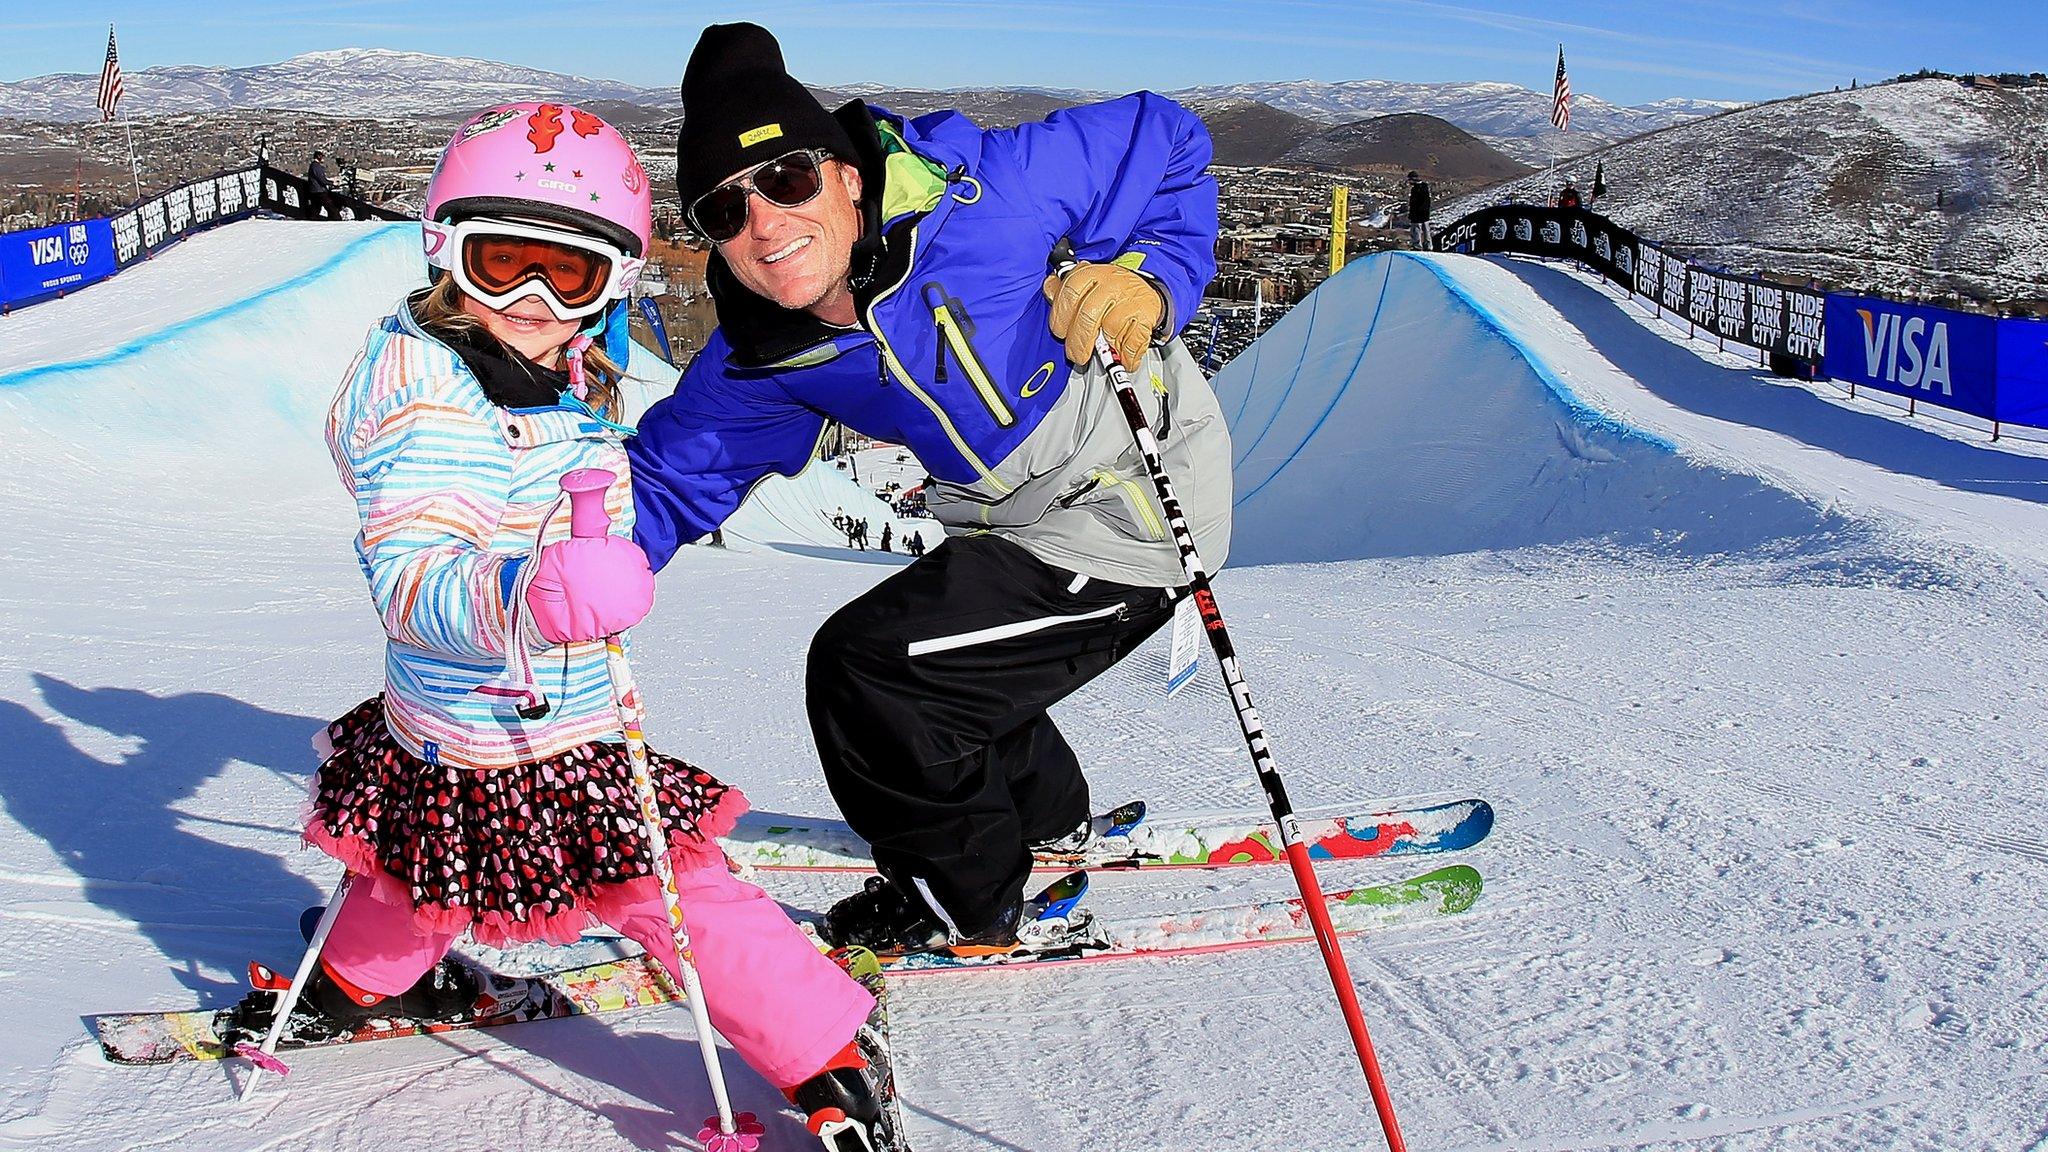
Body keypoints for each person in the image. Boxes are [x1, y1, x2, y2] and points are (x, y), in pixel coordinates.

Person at [257, 101, 883, 1135]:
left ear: (612, 285)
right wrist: (530, 596)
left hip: (459, 714)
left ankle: (354, 983)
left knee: (424, 857)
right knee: (668, 889)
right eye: (503, 263)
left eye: (574, 275)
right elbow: (414, 574)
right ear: (444, 252)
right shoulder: (428, 406)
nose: (538, 301)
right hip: (535, 712)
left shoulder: (527, 367)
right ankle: (824, 1055)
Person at [627, 24, 1231, 959]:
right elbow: (672, 473)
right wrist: (558, 579)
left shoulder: (988, 195)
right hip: (1008, 524)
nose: (768, 225)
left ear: (846, 174)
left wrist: (1150, 278)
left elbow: (1169, 139)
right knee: (951, 652)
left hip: (1132, 498)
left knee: (874, 672)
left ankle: (967, 899)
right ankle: (1040, 822)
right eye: (723, 210)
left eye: (786, 179)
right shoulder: (767, 350)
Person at [307, 150, 337, 219]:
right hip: (319, 191)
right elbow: (321, 179)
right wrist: (331, 183)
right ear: (318, 156)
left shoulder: (313, 166)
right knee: (331, 208)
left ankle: (313, 220)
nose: (322, 158)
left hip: (314, 191)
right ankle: (336, 220)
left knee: (315, 208)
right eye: (321, 156)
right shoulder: (316, 166)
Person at [1406, 170, 1432, 249]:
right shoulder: (1425, 187)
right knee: (1426, 230)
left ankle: (1417, 245)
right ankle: (1428, 246)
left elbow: (1415, 203)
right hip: (1425, 213)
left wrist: (1413, 213)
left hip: (1417, 213)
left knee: (1416, 230)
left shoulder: (1416, 189)